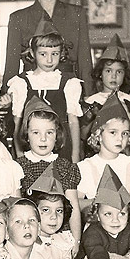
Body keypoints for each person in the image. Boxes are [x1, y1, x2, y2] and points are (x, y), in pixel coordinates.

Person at [3, 0, 93, 95]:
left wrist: (89, 97)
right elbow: (11, 68)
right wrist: (7, 98)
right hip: (31, 92)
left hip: (69, 92)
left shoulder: (77, 14)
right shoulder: (18, 18)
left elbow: (85, 63)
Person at [78, 93, 130, 245]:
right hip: (99, 230)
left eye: (125, 133)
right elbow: (76, 202)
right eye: (113, 132)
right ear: (98, 135)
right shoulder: (87, 166)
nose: (120, 138)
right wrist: (96, 203)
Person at [7, 16, 84, 162]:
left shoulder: (69, 83)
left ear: (61, 53)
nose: (49, 60)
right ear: (32, 53)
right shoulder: (21, 83)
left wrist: (74, 156)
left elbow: (73, 122)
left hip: (62, 148)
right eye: (43, 54)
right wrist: (20, 155)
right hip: (30, 149)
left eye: (54, 54)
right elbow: (18, 124)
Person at [15, 96, 82, 245]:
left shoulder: (65, 167)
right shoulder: (18, 167)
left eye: (49, 132)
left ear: (57, 135)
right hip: (29, 236)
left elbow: (74, 207)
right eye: (36, 133)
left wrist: (76, 241)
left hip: (60, 234)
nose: (43, 139)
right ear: (26, 135)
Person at [80, 34, 130, 155]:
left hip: (127, 154)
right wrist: (98, 116)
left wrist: (127, 112)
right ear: (100, 73)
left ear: (125, 75)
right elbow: (83, 135)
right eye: (108, 71)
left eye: (119, 72)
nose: (113, 76)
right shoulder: (92, 102)